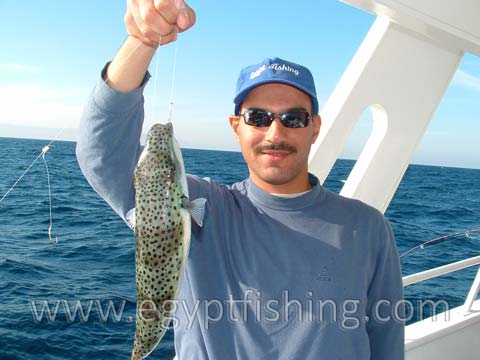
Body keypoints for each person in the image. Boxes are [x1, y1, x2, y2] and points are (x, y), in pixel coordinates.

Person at [76, 1, 405, 359]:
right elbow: (102, 156)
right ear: (237, 127)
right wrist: (141, 41)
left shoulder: (368, 227)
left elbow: (386, 340)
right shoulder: (201, 209)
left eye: (294, 118)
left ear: (315, 128)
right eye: (258, 117)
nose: (275, 132)